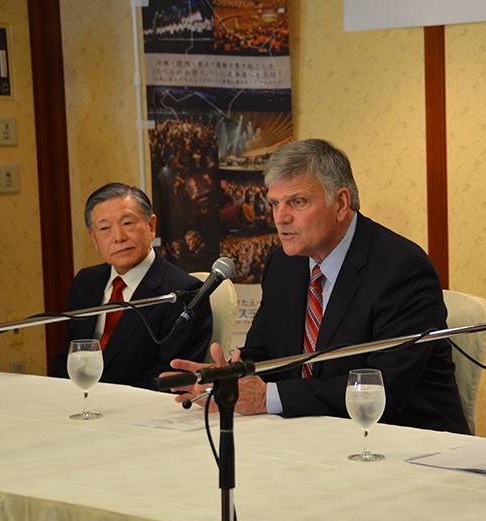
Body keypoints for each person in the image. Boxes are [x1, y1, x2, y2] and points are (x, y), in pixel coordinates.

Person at [166, 139, 469, 434]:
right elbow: (265, 352)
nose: (280, 218)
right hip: (311, 434)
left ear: (340, 203)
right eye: (274, 203)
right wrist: (226, 377)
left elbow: (383, 388)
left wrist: (265, 398)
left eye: (297, 202)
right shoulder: (284, 264)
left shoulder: (402, 270)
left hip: (409, 442)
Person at [52, 183, 213, 389]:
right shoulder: (85, 282)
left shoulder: (186, 293)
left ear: (151, 226)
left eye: (127, 223)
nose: (119, 237)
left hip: (138, 412)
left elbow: (168, 376)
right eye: (104, 228)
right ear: (94, 239)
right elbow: (68, 358)